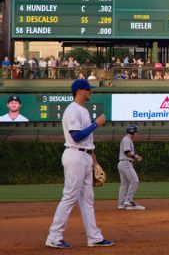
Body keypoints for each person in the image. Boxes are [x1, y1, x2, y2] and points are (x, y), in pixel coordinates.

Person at [45, 79, 114, 249]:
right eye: (88, 89)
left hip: (85, 156)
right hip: (74, 155)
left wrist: (94, 161)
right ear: (79, 91)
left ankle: (94, 237)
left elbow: (87, 142)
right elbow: (76, 136)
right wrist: (96, 124)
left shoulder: (83, 110)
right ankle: (54, 236)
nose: (91, 91)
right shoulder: (72, 110)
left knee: (87, 199)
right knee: (70, 196)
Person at [118, 125, 145, 210]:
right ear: (132, 131)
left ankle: (121, 204)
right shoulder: (127, 139)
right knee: (135, 181)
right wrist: (135, 157)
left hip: (122, 163)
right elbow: (127, 152)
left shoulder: (126, 139)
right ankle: (129, 201)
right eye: (136, 131)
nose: (136, 133)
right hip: (126, 163)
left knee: (124, 185)